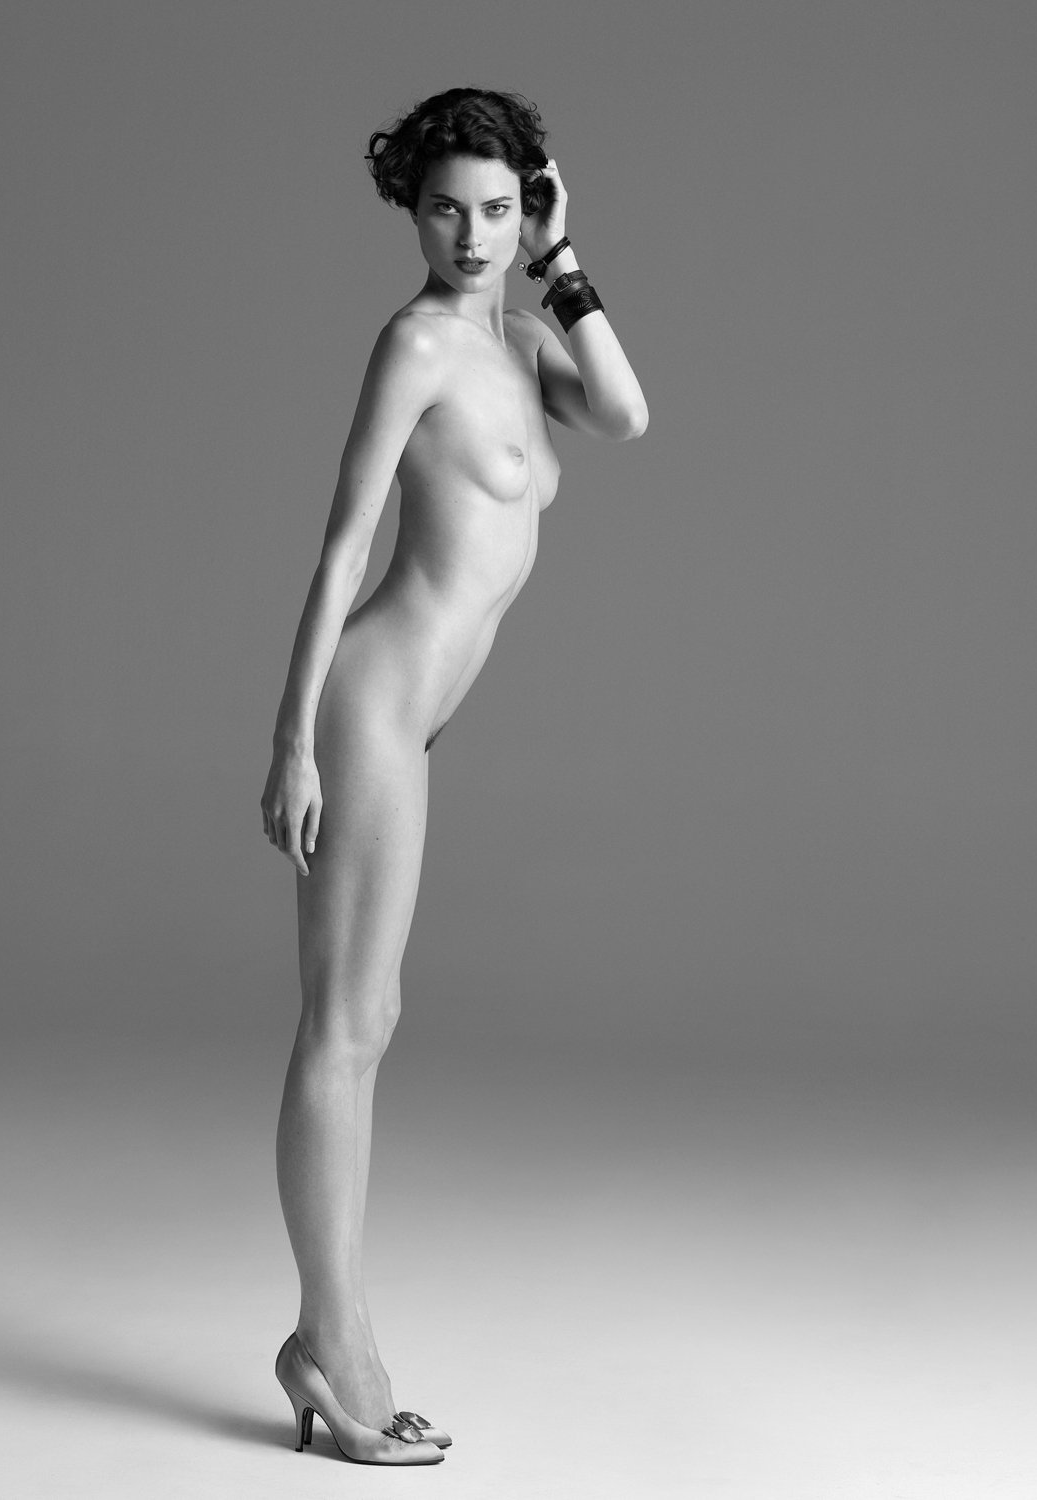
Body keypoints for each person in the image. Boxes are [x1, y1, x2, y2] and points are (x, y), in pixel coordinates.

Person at [260, 87, 647, 1466]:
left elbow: (627, 413)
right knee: (346, 1026)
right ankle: (335, 1346)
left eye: (497, 210)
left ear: (527, 207)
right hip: (370, 704)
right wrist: (292, 737)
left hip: (415, 718)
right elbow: (344, 543)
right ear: (411, 214)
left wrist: (565, 263)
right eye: (445, 210)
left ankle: (328, 1337)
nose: (472, 237)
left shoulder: (523, 337)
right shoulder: (417, 342)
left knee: (370, 1017)